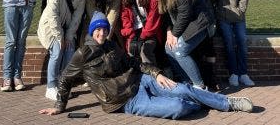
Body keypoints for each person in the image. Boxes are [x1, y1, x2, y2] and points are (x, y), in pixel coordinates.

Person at [39, 11, 253, 118]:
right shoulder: (82, 53)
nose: (102, 32)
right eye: (98, 29)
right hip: (124, 101)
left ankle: (228, 103)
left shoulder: (113, 45)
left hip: (141, 79)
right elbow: (65, 79)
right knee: (178, 106)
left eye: (104, 28)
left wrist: (157, 73)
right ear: (91, 31)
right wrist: (59, 107)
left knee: (182, 88)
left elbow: (133, 62)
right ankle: (203, 102)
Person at [157, 0, 215, 89]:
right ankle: (187, 82)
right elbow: (167, 15)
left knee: (179, 50)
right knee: (168, 49)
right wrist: (169, 32)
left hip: (200, 23)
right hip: (187, 25)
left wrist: (175, 34)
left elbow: (185, 13)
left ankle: (199, 86)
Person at [37, 0, 86, 100]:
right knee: (57, 52)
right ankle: (51, 87)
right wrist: (60, 37)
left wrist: (69, 36)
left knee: (69, 51)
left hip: (67, 29)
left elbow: (77, 16)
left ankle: (62, 84)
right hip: (51, 27)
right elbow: (52, 15)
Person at [213, 0, 254, 87]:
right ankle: (234, 74)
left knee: (242, 42)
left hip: (238, 14)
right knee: (229, 44)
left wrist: (241, 10)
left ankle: (243, 73)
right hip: (222, 14)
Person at [121, 0, 162, 65]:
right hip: (134, 30)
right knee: (131, 51)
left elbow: (153, 15)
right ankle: (136, 77)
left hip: (149, 30)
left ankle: (153, 76)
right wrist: (131, 34)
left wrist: (144, 35)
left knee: (145, 51)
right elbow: (124, 16)